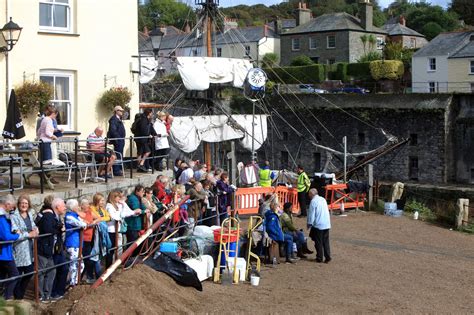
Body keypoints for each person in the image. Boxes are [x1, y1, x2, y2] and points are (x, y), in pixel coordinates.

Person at [36, 197, 67, 303]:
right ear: (57, 207)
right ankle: (41, 295)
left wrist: (59, 227)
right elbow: (47, 229)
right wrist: (59, 229)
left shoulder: (55, 215)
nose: (65, 208)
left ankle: (47, 294)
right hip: (43, 248)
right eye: (63, 206)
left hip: (50, 249)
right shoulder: (49, 215)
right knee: (41, 272)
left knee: (51, 271)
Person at [10, 194, 39, 299]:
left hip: (29, 248)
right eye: (22, 203)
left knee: (29, 272)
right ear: (18, 204)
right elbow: (15, 232)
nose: (24, 205)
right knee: (19, 273)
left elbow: (32, 225)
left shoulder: (29, 214)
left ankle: (19, 295)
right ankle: (16, 295)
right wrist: (28, 234)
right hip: (19, 249)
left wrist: (36, 229)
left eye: (26, 203)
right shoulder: (14, 216)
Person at [105, 190, 141, 268]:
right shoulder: (109, 206)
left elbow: (125, 213)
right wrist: (120, 218)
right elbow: (114, 216)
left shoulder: (118, 205)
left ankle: (117, 264)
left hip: (118, 229)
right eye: (119, 197)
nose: (120, 198)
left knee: (119, 247)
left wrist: (124, 204)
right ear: (114, 198)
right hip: (111, 230)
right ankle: (109, 267)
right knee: (111, 249)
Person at [0, 195, 21, 300]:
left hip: (4, 252)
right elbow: (6, 236)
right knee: (15, 274)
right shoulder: (1, 217)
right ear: (7, 204)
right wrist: (17, 235)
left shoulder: (3, 217)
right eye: (11, 206)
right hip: (3, 253)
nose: (12, 209)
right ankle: (6, 297)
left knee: (2, 276)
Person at [264, 198, 295, 264]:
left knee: (289, 238)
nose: (279, 208)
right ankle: (288, 257)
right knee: (290, 238)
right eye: (278, 207)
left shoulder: (270, 214)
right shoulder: (273, 216)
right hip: (274, 235)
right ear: (275, 208)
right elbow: (270, 227)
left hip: (275, 234)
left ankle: (288, 255)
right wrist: (277, 233)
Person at [64, 199, 87, 287]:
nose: (78, 207)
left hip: (78, 243)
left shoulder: (75, 215)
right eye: (77, 206)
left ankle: (75, 281)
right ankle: (72, 284)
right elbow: (82, 224)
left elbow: (85, 222)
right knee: (74, 264)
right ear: (73, 207)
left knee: (81, 265)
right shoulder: (69, 216)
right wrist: (83, 223)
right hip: (72, 243)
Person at [307, 188, 331, 263]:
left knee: (318, 242)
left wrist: (309, 223)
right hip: (326, 223)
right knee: (326, 241)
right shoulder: (323, 199)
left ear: (311, 194)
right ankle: (328, 256)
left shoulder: (313, 202)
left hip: (318, 224)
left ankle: (319, 257)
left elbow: (311, 214)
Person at [80, 199, 101, 284]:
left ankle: (89, 276)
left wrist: (94, 222)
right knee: (85, 258)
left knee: (90, 257)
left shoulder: (89, 211)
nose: (88, 206)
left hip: (90, 238)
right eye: (87, 204)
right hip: (83, 239)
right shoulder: (80, 213)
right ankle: (85, 276)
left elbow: (99, 218)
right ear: (82, 205)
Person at [107, 105, 126, 176]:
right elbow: (113, 130)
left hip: (121, 140)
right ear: (116, 111)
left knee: (119, 154)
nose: (122, 112)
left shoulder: (118, 119)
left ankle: (119, 169)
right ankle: (116, 170)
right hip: (118, 140)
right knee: (117, 154)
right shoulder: (113, 119)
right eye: (120, 111)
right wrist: (118, 138)